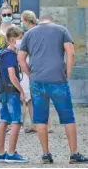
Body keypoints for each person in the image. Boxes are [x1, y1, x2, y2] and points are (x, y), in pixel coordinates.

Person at [18, 15, 88, 164]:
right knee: (68, 118)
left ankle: (46, 154)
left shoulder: (29, 33)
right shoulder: (61, 30)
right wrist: (68, 72)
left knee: (41, 119)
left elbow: (21, 58)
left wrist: (30, 74)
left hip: (37, 81)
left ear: (40, 20)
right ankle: (74, 154)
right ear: (52, 20)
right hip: (58, 80)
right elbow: (71, 52)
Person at [0, 26, 28, 163]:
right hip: (11, 92)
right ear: (13, 39)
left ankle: (0, 153)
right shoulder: (10, 55)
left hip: (3, 92)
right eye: (21, 38)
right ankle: (11, 153)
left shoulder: (4, 53)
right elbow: (12, 76)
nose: (22, 42)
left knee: (4, 121)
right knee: (16, 122)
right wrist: (21, 91)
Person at [19, 10, 53, 134]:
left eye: (22, 20)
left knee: (33, 98)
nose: (21, 23)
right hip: (39, 65)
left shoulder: (30, 34)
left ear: (26, 21)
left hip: (32, 65)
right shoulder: (39, 31)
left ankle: (41, 124)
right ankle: (41, 124)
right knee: (37, 97)